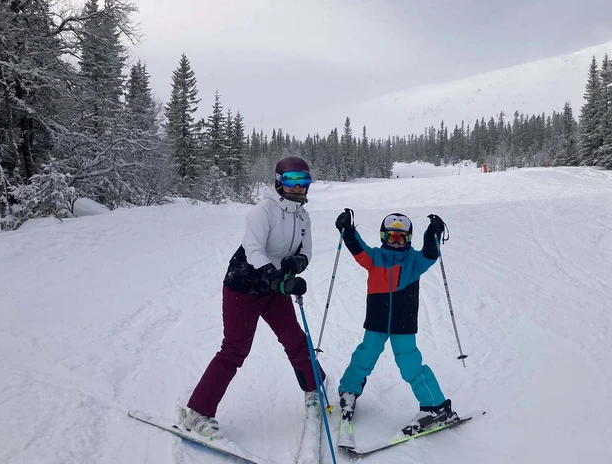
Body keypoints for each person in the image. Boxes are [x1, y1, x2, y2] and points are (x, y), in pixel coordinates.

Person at [180, 156, 326, 438]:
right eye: (291, 180)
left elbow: (306, 250)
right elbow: (253, 249)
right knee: (234, 350)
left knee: (294, 339)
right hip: (243, 286)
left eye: (303, 181)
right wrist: (274, 276)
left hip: (274, 287)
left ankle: (314, 386)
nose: (298, 187)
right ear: (278, 181)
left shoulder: (303, 216)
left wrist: (298, 263)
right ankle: (198, 413)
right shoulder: (263, 211)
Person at [334, 210, 457, 435]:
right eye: (392, 237)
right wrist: (348, 231)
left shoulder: (415, 262)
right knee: (365, 355)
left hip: (403, 323)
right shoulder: (374, 258)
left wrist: (433, 233)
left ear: (409, 239)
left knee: (410, 364)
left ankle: (436, 406)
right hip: (377, 321)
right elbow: (358, 248)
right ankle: (348, 391)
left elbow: (430, 254)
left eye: (402, 238)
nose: (397, 242)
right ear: (384, 237)